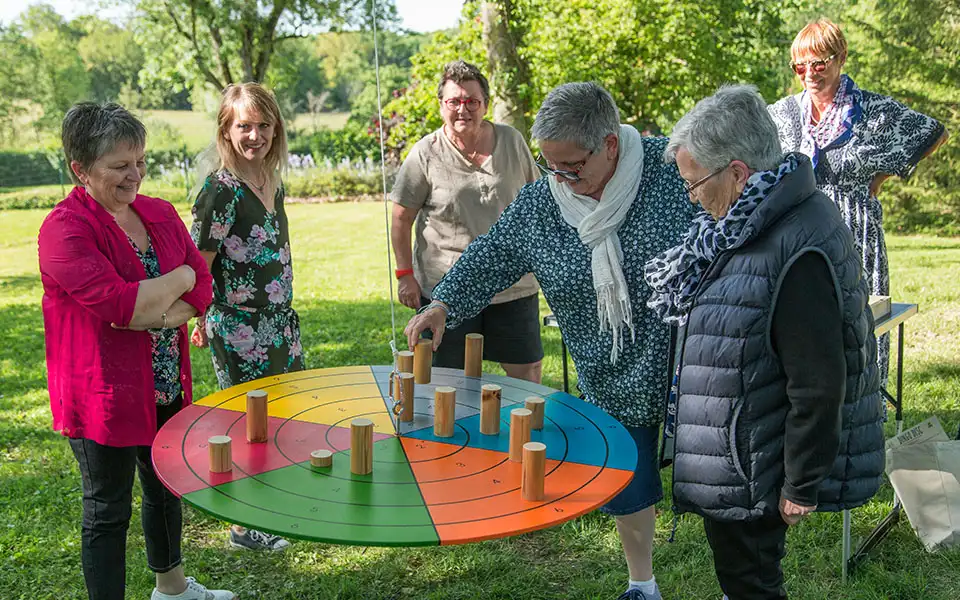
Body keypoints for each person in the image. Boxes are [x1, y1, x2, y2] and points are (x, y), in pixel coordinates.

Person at [405, 82, 695, 600]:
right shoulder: (546, 201)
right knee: (628, 476)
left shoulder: (673, 168)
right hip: (608, 367)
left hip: (688, 361)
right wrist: (444, 303)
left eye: (572, 167)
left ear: (610, 145)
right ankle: (642, 583)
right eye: (550, 166)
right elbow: (494, 251)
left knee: (714, 481)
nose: (559, 177)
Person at [645, 85, 884, 600]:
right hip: (741, 451)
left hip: (755, 464)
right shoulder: (752, 221)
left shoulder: (793, 242)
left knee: (751, 582)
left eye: (694, 184)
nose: (691, 196)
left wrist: (801, 482)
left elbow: (819, 380)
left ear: (737, 173)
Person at [38, 103, 234, 600]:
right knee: (108, 508)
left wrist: (168, 304)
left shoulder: (160, 213)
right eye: (120, 165)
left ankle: (172, 588)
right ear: (80, 169)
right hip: (101, 391)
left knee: (165, 486)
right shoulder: (65, 229)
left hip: (164, 379)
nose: (136, 175)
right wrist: (180, 282)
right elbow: (124, 306)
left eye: (141, 160)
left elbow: (204, 285)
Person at [768, 18, 948, 385]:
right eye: (800, 65)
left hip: (855, 233)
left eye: (819, 63)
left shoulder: (871, 111)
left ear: (841, 57)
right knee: (805, 333)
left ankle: (865, 412)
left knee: (860, 331)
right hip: (799, 237)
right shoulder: (783, 114)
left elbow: (934, 132)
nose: (809, 73)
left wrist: (880, 176)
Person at [190, 83, 303, 552]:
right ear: (226, 130)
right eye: (243, 126)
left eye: (263, 125)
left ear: (276, 129)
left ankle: (271, 508)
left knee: (280, 418)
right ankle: (243, 525)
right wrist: (197, 318)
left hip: (279, 323)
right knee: (246, 421)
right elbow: (198, 263)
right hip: (239, 328)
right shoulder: (221, 189)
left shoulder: (272, 181)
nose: (254, 135)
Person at [391, 60, 543, 383]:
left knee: (526, 375)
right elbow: (401, 218)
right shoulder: (424, 154)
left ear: (485, 104)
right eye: (454, 101)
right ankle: (448, 434)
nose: (463, 109)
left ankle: (527, 434)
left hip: (513, 285)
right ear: (441, 105)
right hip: (447, 286)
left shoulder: (513, 142)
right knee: (447, 382)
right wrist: (405, 275)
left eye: (472, 101)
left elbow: (539, 201)